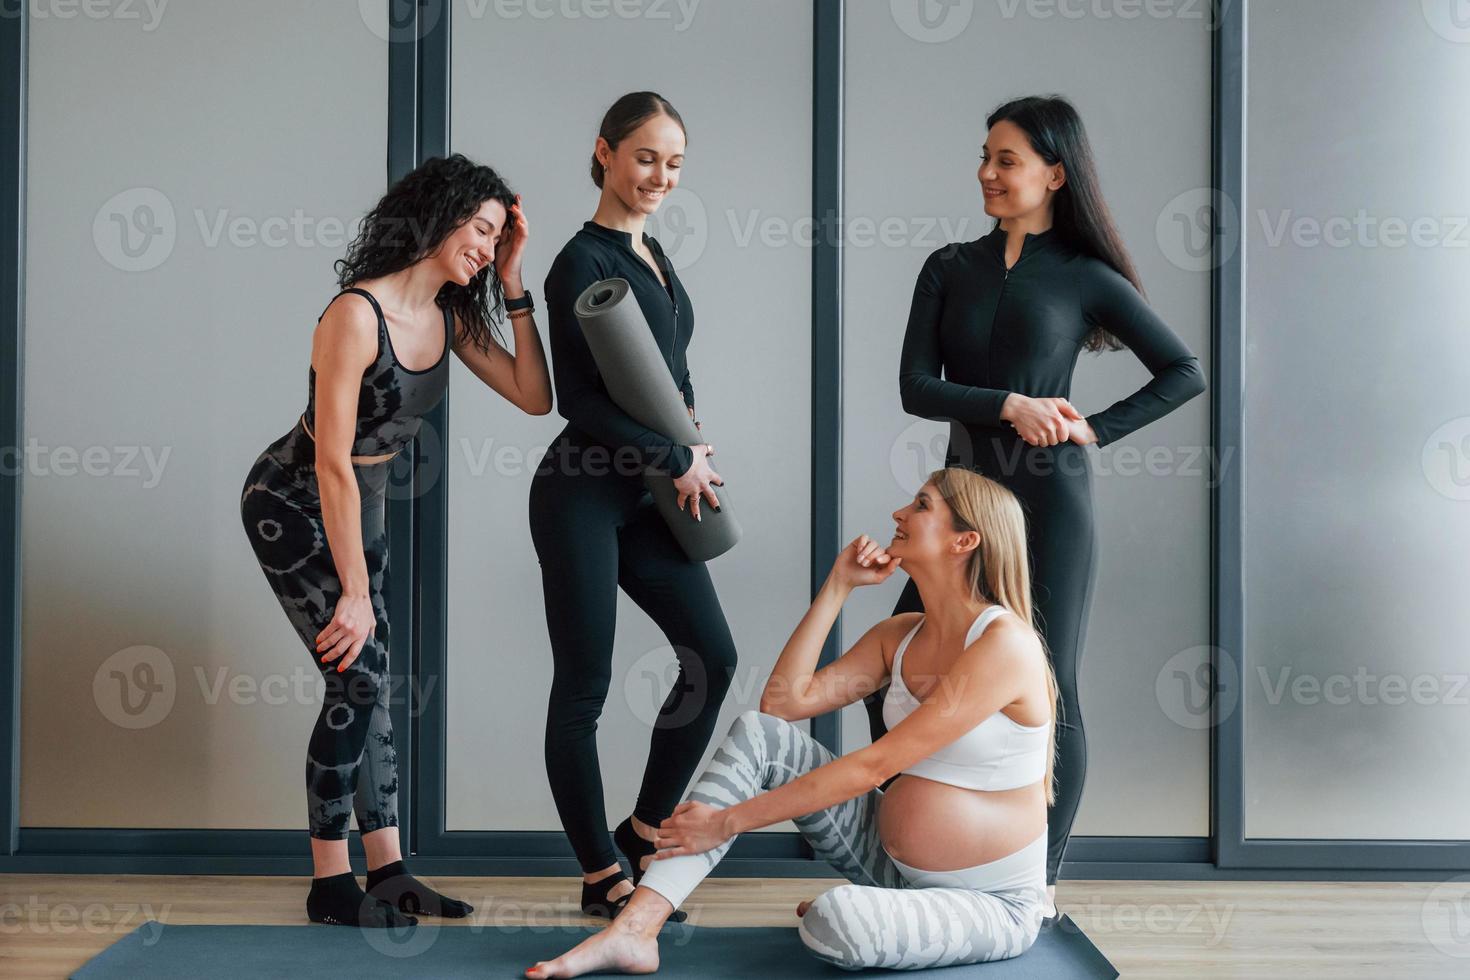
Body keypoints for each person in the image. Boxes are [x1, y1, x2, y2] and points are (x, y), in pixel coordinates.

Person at [865, 94, 1208, 919]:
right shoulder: (949, 266)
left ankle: (1036, 885)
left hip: (1050, 508)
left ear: (1055, 174)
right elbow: (917, 388)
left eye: (1007, 159)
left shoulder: (1086, 279)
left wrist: (1090, 428)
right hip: (956, 509)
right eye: (984, 156)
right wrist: (1010, 404)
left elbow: (1183, 372)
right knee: (900, 677)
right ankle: (894, 873)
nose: (987, 172)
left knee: (1051, 690)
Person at [525, 467, 1059, 976]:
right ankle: (636, 930)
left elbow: (875, 766)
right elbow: (781, 705)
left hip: (992, 903)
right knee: (760, 737)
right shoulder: (900, 635)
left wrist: (728, 821)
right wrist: (838, 586)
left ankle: (871, 911)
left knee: (839, 920)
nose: (899, 512)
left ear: (964, 541)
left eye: (921, 505)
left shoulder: (1004, 645)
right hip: (892, 867)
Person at [240, 153, 551, 927]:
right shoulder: (354, 314)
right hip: (294, 499)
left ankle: (390, 873)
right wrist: (353, 591)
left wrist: (513, 281)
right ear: (439, 216)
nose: (484, 245)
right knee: (357, 678)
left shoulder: (449, 318)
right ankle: (329, 883)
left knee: (375, 682)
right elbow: (333, 464)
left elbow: (534, 397)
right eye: (480, 230)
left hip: (362, 506)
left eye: (494, 236)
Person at [529, 92, 736, 922]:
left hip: (651, 492)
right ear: (606, 153)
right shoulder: (578, 262)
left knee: (711, 657)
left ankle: (645, 829)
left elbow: (662, 379)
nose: (660, 176)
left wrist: (688, 445)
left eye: (675, 162)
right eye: (646, 157)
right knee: (584, 685)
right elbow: (576, 401)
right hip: (580, 491)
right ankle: (598, 872)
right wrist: (670, 452)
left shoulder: (655, 257)